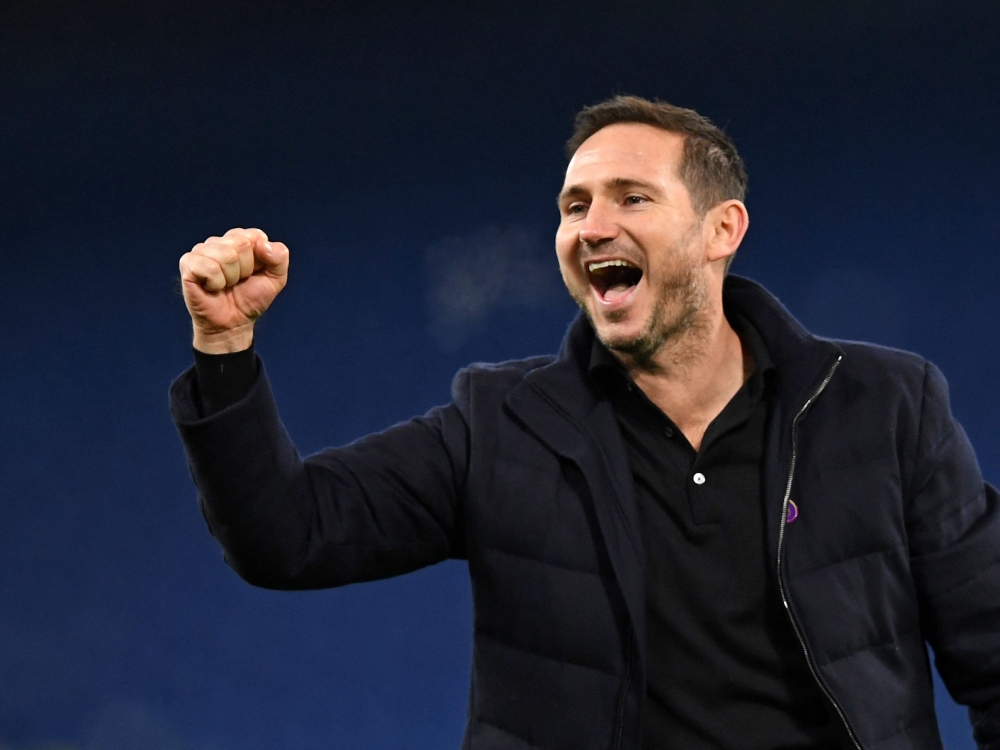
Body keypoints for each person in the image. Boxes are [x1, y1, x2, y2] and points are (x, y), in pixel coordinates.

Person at [170, 96, 1000, 750]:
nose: (591, 226)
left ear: (722, 230)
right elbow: (288, 534)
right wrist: (225, 347)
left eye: (631, 197)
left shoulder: (884, 406)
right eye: (574, 206)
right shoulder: (499, 424)